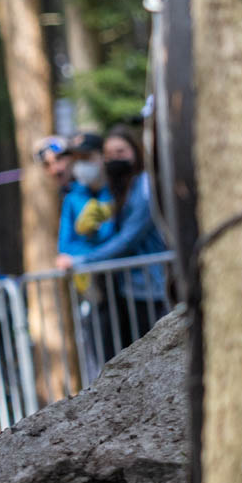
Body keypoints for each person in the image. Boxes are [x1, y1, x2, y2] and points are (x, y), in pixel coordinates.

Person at [60, 125, 169, 354]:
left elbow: (127, 239)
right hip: (121, 292)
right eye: (110, 155)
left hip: (149, 290)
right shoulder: (113, 190)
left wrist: (83, 261)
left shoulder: (144, 187)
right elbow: (67, 244)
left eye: (121, 152)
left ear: (135, 152)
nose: (114, 160)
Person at [56, 130, 115, 262]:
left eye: (86, 157)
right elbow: (64, 246)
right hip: (89, 277)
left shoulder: (118, 191)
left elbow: (123, 240)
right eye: (76, 159)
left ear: (103, 156)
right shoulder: (71, 198)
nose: (81, 163)